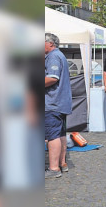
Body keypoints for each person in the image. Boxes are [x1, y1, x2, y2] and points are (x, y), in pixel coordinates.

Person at [44, 33, 72, 179]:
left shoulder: (53, 56)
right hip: (60, 102)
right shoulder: (59, 55)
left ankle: (54, 168)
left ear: (50, 43)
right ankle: (62, 163)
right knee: (60, 134)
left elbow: (52, 78)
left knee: (52, 135)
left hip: (52, 102)